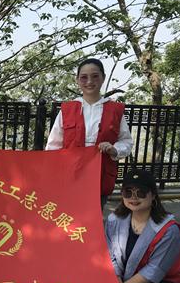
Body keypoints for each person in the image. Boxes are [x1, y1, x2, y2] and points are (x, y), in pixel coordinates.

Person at [45, 58, 133, 208]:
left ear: (103, 78)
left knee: (94, 216)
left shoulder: (115, 111)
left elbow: (126, 141)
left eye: (95, 76)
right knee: (68, 216)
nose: (89, 81)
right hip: (70, 176)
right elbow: (53, 146)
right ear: (77, 80)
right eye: (84, 77)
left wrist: (114, 149)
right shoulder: (67, 109)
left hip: (100, 177)